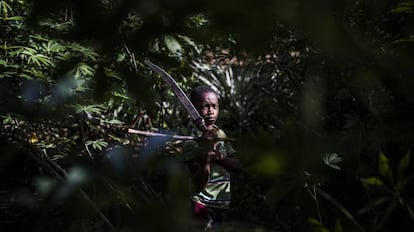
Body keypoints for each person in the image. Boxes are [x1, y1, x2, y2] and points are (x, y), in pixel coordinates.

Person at [183, 85, 242, 230]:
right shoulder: (191, 142)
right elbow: (198, 184)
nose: (211, 111)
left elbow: (238, 166)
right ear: (193, 110)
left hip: (221, 204)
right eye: (205, 106)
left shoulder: (220, 134)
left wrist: (217, 156)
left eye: (214, 106)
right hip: (201, 204)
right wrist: (206, 157)